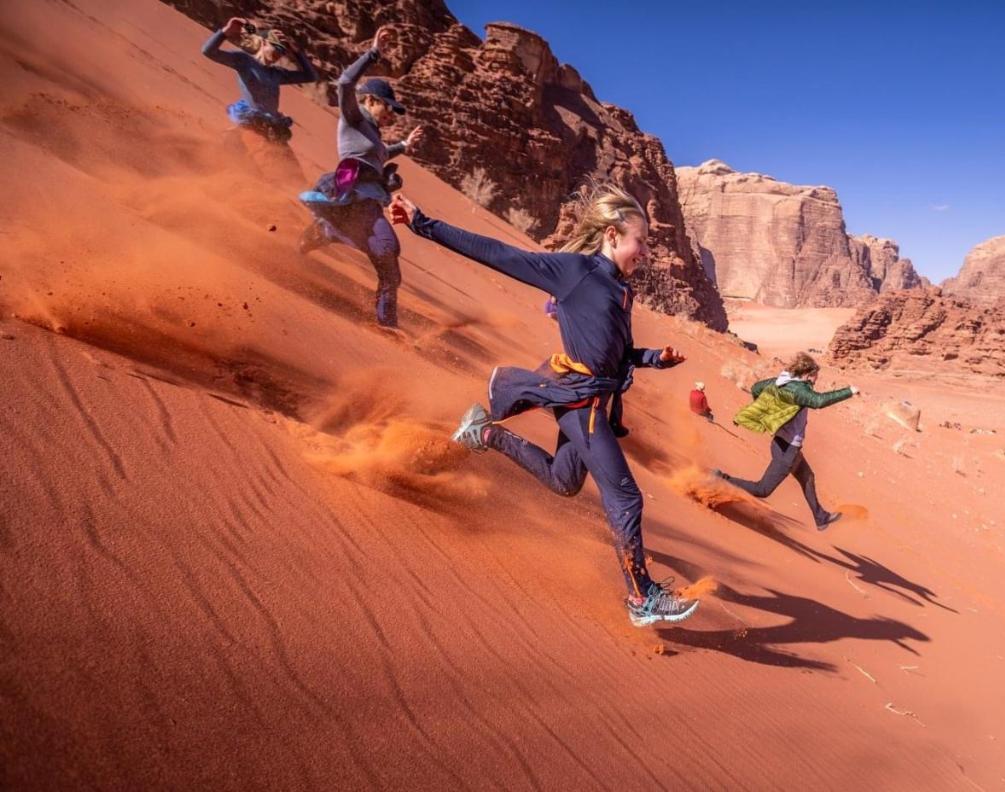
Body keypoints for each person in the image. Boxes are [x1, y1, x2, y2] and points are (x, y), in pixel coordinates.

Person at [389, 184, 700, 628]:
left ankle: (485, 433)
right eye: (641, 241)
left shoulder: (621, 290)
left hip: (591, 397)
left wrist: (655, 358)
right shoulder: (574, 271)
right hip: (580, 400)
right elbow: (497, 253)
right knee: (626, 496)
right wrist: (423, 224)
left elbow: (619, 353)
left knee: (564, 480)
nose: (646, 252)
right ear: (612, 236)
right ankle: (641, 597)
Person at [298, 26, 424, 329]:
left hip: (368, 203)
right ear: (369, 101)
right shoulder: (354, 118)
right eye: (388, 107)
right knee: (387, 250)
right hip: (355, 197)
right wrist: (373, 52)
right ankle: (386, 324)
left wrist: (404, 146)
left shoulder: (374, 137)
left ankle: (328, 231)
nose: (391, 114)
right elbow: (344, 83)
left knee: (388, 261)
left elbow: (379, 155)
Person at [713, 352, 855, 530]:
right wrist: (849, 391)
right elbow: (819, 401)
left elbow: (757, 387)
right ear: (807, 374)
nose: (816, 379)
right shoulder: (799, 389)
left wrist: (771, 409)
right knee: (762, 490)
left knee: (807, 477)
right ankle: (721, 479)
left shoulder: (782, 381)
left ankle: (821, 517)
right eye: (815, 375)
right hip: (787, 450)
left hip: (783, 444)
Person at [201, 17, 317, 180]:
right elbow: (208, 51)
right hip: (252, 125)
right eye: (275, 47)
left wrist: (296, 53)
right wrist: (225, 32)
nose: (279, 53)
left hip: (273, 129)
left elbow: (310, 76)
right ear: (263, 43)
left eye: (283, 51)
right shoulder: (244, 61)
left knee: (293, 174)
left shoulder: (276, 73)